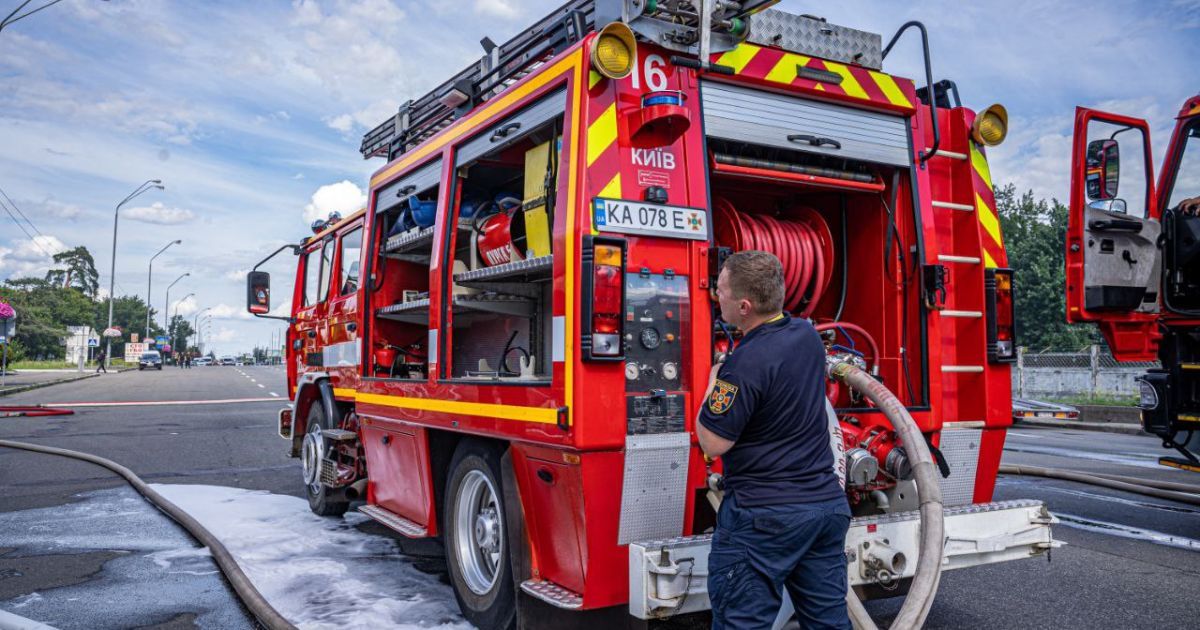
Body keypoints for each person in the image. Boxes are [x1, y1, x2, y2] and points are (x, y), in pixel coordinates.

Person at [697, 250, 850, 630]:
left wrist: (715, 379)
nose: (717, 296)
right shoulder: (807, 336)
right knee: (829, 623)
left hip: (765, 519)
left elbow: (713, 444)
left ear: (744, 306)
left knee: (741, 623)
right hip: (825, 508)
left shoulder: (742, 365)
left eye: (721, 290)